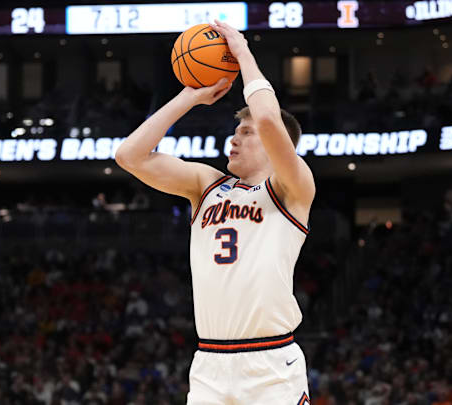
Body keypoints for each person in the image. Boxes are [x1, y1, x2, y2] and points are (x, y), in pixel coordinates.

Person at [115, 19, 315, 405]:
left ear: (278, 147)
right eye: (235, 130)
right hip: (209, 363)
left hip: (271, 364)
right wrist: (190, 96)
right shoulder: (206, 184)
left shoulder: (293, 188)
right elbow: (129, 156)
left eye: (246, 132)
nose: (234, 138)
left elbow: (271, 121)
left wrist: (242, 54)